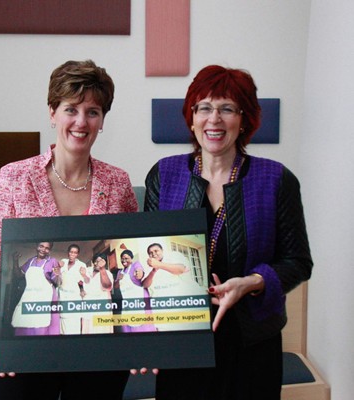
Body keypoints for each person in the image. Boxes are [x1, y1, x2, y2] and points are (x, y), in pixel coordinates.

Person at [140, 65, 313, 399]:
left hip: (252, 342)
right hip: (182, 340)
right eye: (204, 107)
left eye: (227, 108)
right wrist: (149, 335)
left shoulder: (277, 180)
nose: (214, 119)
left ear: (244, 119)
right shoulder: (165, 174)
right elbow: (149, 254)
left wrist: (251, 283)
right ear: (191, 118)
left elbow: (298, 262)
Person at [0, 59, 138, 400]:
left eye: (93, 111)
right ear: (52, 112)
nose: (81, 122)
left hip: (99, 342)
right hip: (28, 337)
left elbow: (125, 260)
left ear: (102, 120)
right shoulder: (14, 177)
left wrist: (134, 334)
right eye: (71, 109)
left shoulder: (119, 182)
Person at [142, 242, 207, 331]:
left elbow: (181, 269)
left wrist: (159, 265)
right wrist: (153, 271)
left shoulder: (174, 255)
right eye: (151, 253)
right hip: (164, 311)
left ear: (162, 250)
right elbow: (145, 284)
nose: (153, 254)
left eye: (156, 251)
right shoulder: (148, 266)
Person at [11, 242, 61, 335]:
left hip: (45, 296)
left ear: (49, 250)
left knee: (41, 324)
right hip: (30, 296)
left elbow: (57, 282)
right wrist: (15, 260)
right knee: (25, 322)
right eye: (41, 246)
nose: (43, 249)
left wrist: (57, 275)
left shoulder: (52, 261)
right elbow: (18, 275)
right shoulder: (30, 261)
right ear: (36, 247)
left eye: (47, 248)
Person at [114, 249, 156, 332]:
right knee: (128, 324)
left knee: (143, 326)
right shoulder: (120, 272)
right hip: (128, 302)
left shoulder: (135, 265)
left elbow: (140, 272)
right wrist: (118, 279)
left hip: (140, 300)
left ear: (131, 258)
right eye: (122, 259)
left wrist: (139, 273)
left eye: (126, 258)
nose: (124, 260)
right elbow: (115, 287)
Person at [57, 243, 88, 335]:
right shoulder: (63, 262)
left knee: (74, 321)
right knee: (63, 320)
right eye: (71, 252)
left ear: (77, 254)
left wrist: (82, 290)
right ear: (68, 252)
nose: (72, 254)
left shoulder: (81, 264)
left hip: (74, 296)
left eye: (75, 253)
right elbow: (58, 278)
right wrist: (59, 267)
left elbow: (81, 281)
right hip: (62, 294)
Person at [81, 253, 115, 334]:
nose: (97, 263)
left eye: (100, 261)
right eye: (96, 261)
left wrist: (102, 269)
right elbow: (82, 283)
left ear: (104, 262)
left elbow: (107, 286)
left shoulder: (107, 273)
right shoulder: (88, 270)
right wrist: (81, 289)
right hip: (88, 307)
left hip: (101, 309)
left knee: (101, 331)